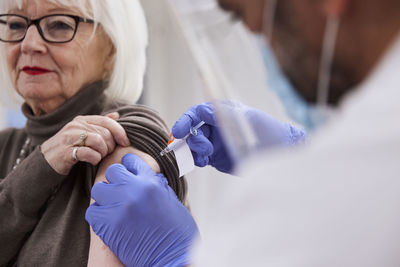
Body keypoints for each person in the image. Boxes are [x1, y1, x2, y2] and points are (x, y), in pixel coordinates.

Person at [86, 0, 400, 266]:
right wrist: (296, 148)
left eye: (248, 16)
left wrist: (175, 257)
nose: (258, 35)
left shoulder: (368, 166)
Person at [0, 0, 185, 266]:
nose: (29, 44)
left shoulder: (126, 132)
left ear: (112, 46)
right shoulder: (6, 146)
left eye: (60, 25)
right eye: (17, 25)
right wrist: (42, 165)